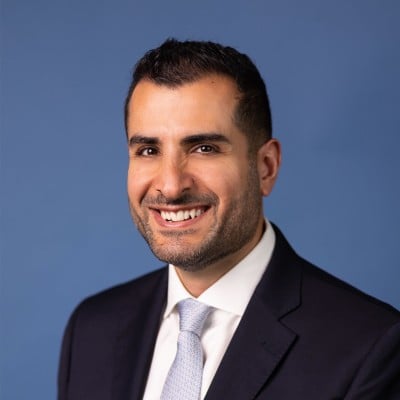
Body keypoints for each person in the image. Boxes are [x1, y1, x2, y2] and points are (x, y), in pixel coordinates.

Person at [58, 39, 400, 400]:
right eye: (148, 150)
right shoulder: (91, 329)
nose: (170, 186)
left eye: (204, 148)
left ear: (266, 167)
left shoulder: (369, 348)